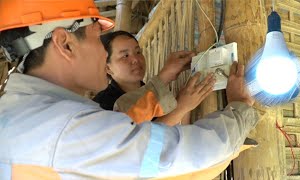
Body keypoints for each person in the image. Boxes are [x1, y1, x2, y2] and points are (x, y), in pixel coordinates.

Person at [0, 0, 258, 179]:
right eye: (97, 38)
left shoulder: (17, 115)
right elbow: (185, 159)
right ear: (64, 43)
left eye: (137, 51)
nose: (103, 52)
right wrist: (240, 107)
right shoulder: (67, 127)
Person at [93, 31, 214, 125]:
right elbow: (138, 141)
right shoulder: (102, 106)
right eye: (125, 55)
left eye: (138, 52)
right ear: (108, 68)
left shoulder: (158, 95)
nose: (135, 59)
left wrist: (184, 107)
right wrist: (181, 108)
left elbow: (179, 136)